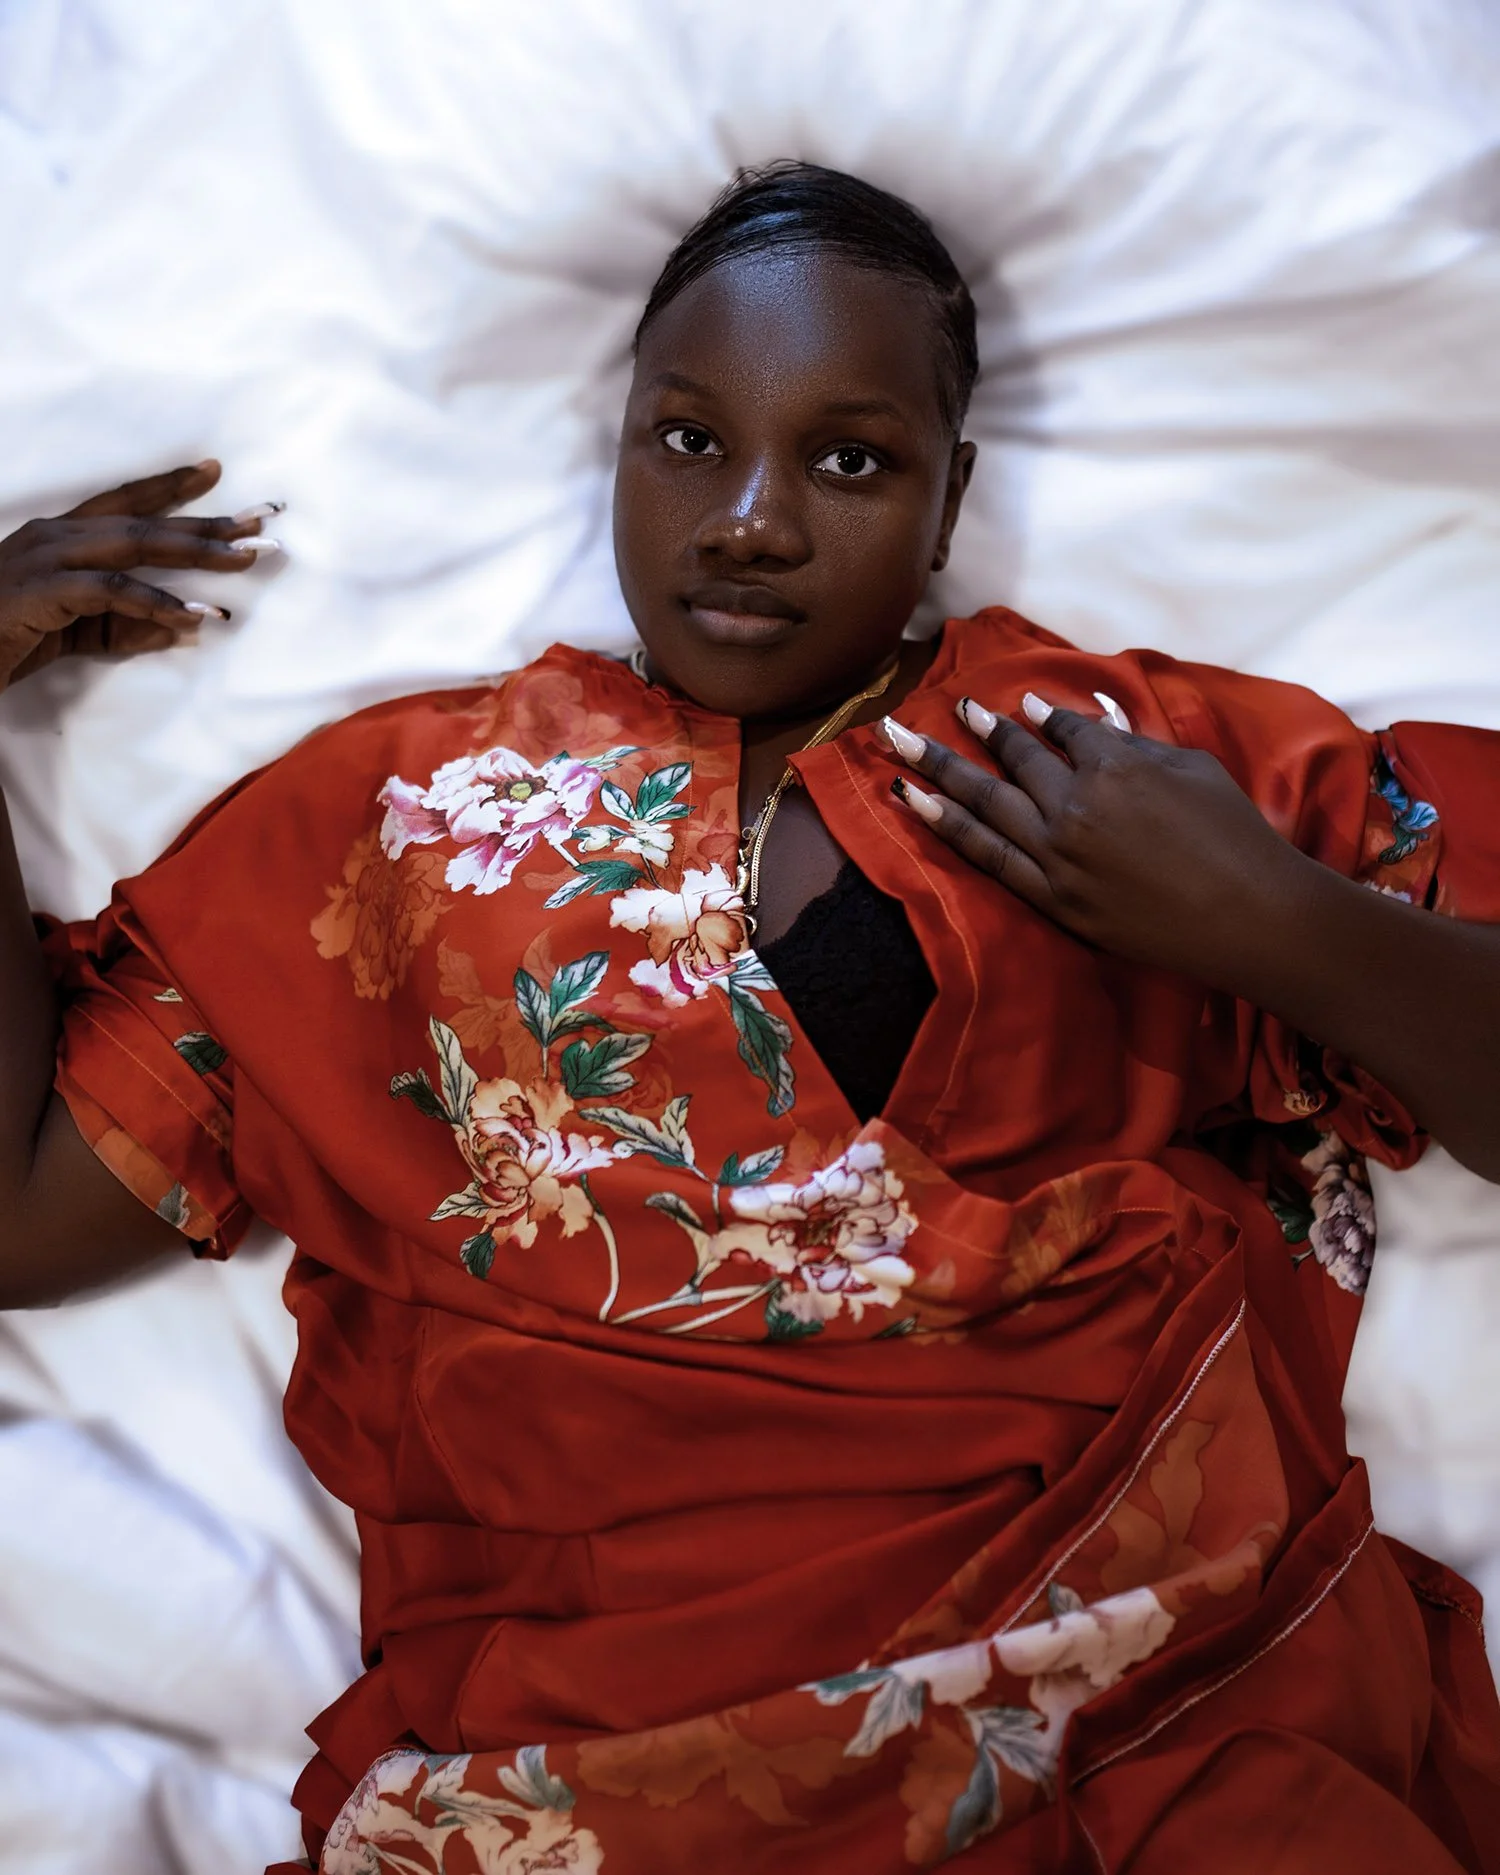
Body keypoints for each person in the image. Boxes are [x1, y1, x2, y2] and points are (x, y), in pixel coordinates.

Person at [1, 161, 1498, 1874]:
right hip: (587, 1767)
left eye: (849, 459)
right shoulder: (389, 822)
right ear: (621, 447)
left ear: (952, 501)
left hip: (1127, 1715)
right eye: (690, 439)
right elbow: (23, 1212)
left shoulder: (1120, 764)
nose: (751, 518)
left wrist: (1274, 918)